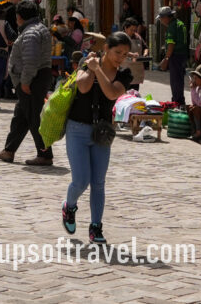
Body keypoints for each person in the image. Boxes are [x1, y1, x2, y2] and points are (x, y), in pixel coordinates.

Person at [61, 31, 131, 246]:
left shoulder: (124, 75)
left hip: (103, 133)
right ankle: (69, 206)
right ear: (106, 49)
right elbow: (83, 87)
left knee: (98, 182)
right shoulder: (87, 63)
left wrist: (97, 68)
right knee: (81, 180)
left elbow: (112, 93)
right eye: (117, 52)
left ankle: (96, 226)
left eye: (125, 54)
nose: (121, 57)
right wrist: (91, 66)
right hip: (78, 129)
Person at [0, 0, 54, 167]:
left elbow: (31, 61)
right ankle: (9, 150)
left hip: (31, 80)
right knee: (21, 116)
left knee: (35, 118)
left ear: (19, 16)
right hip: (33, 78)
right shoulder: (37, 29)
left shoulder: (30, 33)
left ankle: (45, 154)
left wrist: (26, 82)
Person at [156, 6, 188, 105]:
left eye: (161, 18)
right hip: (183, 56)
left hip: (175, 57)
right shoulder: (180, 23)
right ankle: (180, 101)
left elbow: (171, 44)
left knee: (175, 82)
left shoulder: (172, 26)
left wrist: (166, 59)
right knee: (179, 80)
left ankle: (177, 103)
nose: (161, 20)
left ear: (166, 17)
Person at [122, 18, 146, 89]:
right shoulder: (121, 37)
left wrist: (145, 53)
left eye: (135, 30)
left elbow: (145, 47)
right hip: (124, 69)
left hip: (136, 72)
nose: (133, 32)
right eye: (131, 30)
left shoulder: (138, 37)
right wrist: (132, 55)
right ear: (126, 28)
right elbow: (120, 50)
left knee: (135, 93)